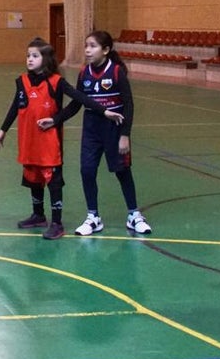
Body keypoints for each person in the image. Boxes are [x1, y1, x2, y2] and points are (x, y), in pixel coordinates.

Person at [0, 37, 123, 240]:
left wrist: (104, 111)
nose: (29, 59)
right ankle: (38, 215)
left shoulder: (56, 82)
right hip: (29, 141)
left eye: (35, 56)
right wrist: (3, 130)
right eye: (28, 56)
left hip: (49, 143)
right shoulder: (22, 81)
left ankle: (57, 223)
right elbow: (15, 106)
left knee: (53, 182)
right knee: (33, 178)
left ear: (46, 59)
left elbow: (81, 98)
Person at [41, 30, 151, 237]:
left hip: (114, 129)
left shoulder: (116, 72)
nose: (87, 50)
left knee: (122, 171)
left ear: (106, 50)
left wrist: (125, 135)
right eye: (86, 46)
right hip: (91, 129)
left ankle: (134, 215)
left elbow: (128, 105)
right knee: (87, 171)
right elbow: (76, 104)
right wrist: (55, 119)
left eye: (93, 46)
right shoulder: (84, 73)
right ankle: (93, 217)